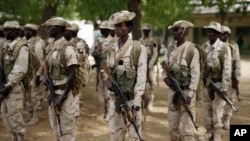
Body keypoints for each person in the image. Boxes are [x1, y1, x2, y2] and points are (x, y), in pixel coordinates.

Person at [104, 10, 147, 141]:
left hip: (132, 101)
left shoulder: (138, 49)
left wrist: (136, 107)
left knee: (135, 137)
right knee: (115, 138)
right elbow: (107, 71)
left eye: (121, 25)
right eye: (116, 26)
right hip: (115, 101)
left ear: (129, 27)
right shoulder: (111, 47)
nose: (117, 29)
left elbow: (141, 79)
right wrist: (107, 81)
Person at [162, 20, 200, 141]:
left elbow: (195, 73)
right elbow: (164, 67)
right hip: (173, 92)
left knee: (187, 131)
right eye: (173, 30)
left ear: (185, 31)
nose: (174, 32)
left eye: (177, 29)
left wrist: (190, 93)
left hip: (186, 93)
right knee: (172, 127)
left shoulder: (192, 50)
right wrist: (166, 79)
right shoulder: (170, 48)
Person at [43, 17, 79, 141]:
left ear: (58, 29)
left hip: (66, 96)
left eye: (51, 27)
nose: (48, 29)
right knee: (56, 130)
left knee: (67, 132)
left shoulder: (68, 48)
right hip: (54, 94)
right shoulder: (50, 47)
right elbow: (48, 70)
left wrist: (62, 98)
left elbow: (72, 75)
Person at [201, 22, 231, 141]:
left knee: (217, 110)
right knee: (206, 108)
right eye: (208, 31)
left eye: (212, 32)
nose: (210, 34)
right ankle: (209, 133)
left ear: (218, 34)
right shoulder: (204, 47)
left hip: (218, 84)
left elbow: (227, 70)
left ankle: (217, 135)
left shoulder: (224, 48)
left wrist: (224, 88)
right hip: (206, 84)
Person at [0, 21, 29, 141]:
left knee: (15, 114)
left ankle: (20, 136)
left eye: (8, 30)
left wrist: (9, 86)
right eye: (5, 30)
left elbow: (20, 69)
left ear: (16, 32)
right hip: (5, 86)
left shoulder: (21, 47)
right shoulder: (6, 46)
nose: (5, 32)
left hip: (14, 87)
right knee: (5, 113)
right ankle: (14, 135)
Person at [23, 23, 46, 125]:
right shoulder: (25, 41)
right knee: (27, 96)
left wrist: (38, 75)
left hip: (34, 74)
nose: (24, 32)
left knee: (34, 96)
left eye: (27, 30)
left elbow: (40, 61)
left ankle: (35, 117)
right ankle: (30, 114)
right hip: (26, 74)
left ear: (32, 32)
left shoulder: (38, 44)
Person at [91, 20, 115, 120]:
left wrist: (102, 56)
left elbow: (113, 56)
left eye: (103, 29)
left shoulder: (113, 41)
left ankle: (109, 112)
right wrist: (94, 53)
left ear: (108, 30)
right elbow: (91, 50)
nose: (101, 30)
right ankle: (102, 112)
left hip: (108, 70)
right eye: (101, 29)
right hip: (99, 69)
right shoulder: (98, 39)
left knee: (108, 91)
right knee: (100, 91)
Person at [220, 25, 241, 130]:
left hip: (230, 76)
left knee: (230, 99)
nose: (223, 35)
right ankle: (217, 120)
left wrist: (236, 78)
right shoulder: (216, 44)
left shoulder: (233, 46)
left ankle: (226, 118)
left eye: (225, 33)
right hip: (219, 77)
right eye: (221, 33)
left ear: (228, 35)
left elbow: (237, 62)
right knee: (218, 100)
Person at [139, 23, 158, 112]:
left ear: (149, 31)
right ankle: (143, 102)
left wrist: (150, 65)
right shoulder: (139, 41)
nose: (145, 32)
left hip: (150, 66)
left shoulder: (152, 41)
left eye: (147, 31)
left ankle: (150, 103)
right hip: (141, 66)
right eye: (144, 31)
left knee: (151, 84)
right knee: (141, 83)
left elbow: (155, 54)